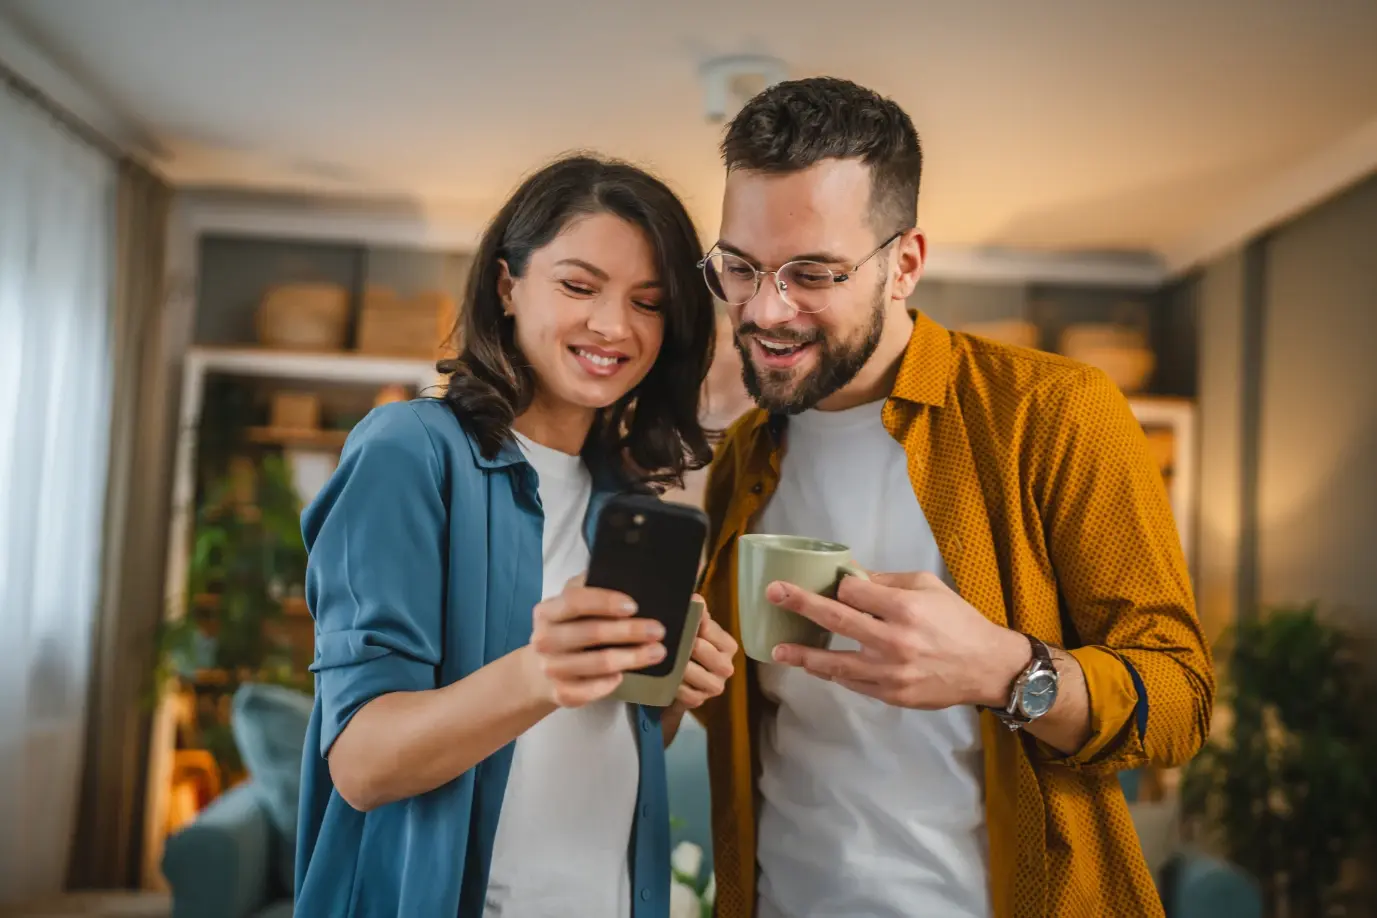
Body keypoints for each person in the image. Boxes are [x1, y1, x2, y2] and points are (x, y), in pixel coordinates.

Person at [687, 77, 1215, 918]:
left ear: (903, 264)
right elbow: (761, 716)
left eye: (812, 273)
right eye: (740, 268)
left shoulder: (1051, 412)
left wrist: (1007, 672)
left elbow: (1179, 701)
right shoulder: (747, 454)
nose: (764, 309)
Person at [294, 154, 738, 917]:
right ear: (507, 284)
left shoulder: (626, 499)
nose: (613, 325)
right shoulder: (410, 450)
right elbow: (363, 764)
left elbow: (597, 746)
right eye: (578, 285)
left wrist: (671, 690)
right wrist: (541, 672)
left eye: (649, 301)